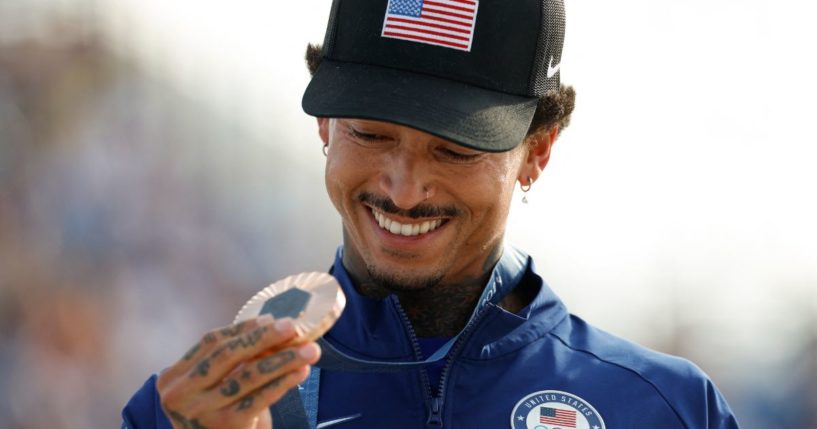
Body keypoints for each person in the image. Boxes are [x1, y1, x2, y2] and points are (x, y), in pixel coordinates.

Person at [122, 0, 741, 428]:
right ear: (325, 123)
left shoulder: (665, 409)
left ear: (539, 151)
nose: (405, 189)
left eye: (455, 149)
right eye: (370, 133)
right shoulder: (191, 410)